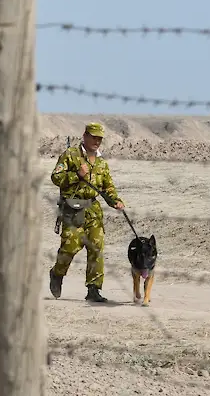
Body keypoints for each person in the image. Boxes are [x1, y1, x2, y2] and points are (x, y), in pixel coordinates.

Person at [49, 122, 125, 303]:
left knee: (96, 248)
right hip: (73, 208)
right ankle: (57, 273)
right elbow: (55, 177)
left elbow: (107, 186)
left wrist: (116, 200)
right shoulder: (70, 155)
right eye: (94, 137)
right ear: (85, 136)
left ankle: (94, 289)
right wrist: (77, 175)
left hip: (93, 209)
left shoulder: (101, 162)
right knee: (70, 247)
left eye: (99, 138)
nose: (97, 141)